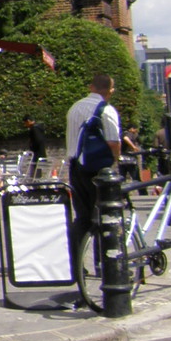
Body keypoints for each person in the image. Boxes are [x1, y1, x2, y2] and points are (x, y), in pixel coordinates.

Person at [65, 72, 121, 269]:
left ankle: (76, 263)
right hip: (98, 171)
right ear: (110, 90)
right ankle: (105, 262)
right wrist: (116, 160)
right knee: (105, 216)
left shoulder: (74, 108)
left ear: (91, 87)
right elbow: (113, 142)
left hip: (75, 168)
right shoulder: (106, 110)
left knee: (82, 218)